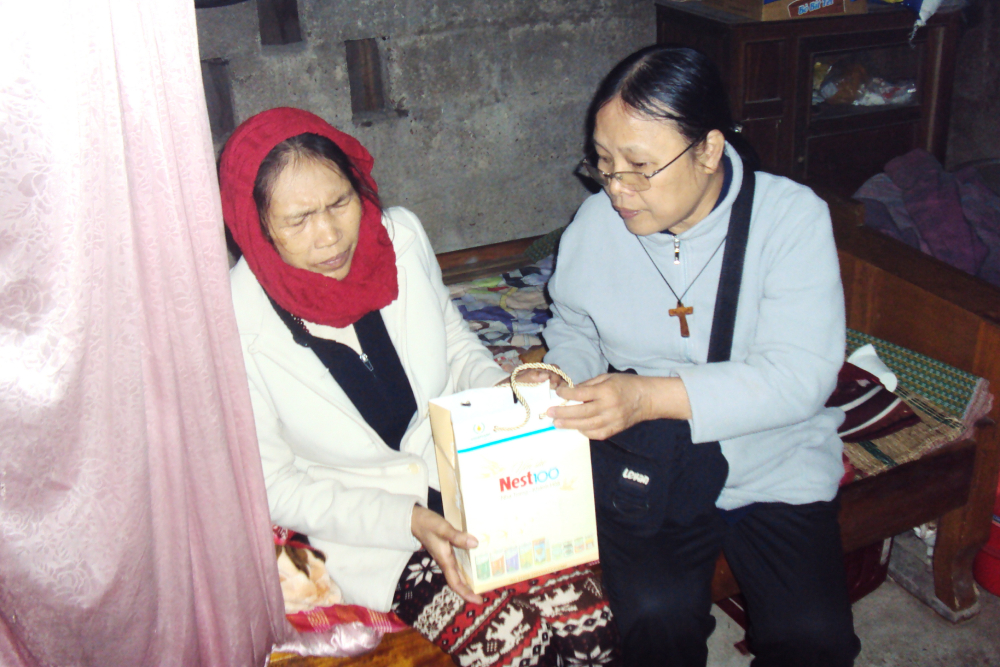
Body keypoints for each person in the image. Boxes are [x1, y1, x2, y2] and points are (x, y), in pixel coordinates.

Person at [219, 107, 618, 666]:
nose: (330, 235)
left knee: (594, 632)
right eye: (298, 219)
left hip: (469, 479)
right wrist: (408, 520)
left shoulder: (399, 236)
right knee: (523, 650)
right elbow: (277, 486)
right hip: (372, 529)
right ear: (256, 226)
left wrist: (512, 392)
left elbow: (456, 351)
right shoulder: (235, 320)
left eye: (340, 202)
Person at [542, 46, 862, 667]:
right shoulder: (595, 224)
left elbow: (799, 378)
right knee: (654, 626)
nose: (618, 190)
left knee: (813, 641)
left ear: (710, 150)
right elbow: (573, 324)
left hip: (774, 463)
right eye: (603, 165)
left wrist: (644, 395)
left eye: (639, 167)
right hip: (651, 461)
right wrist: (567, 379)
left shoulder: (789, 220)